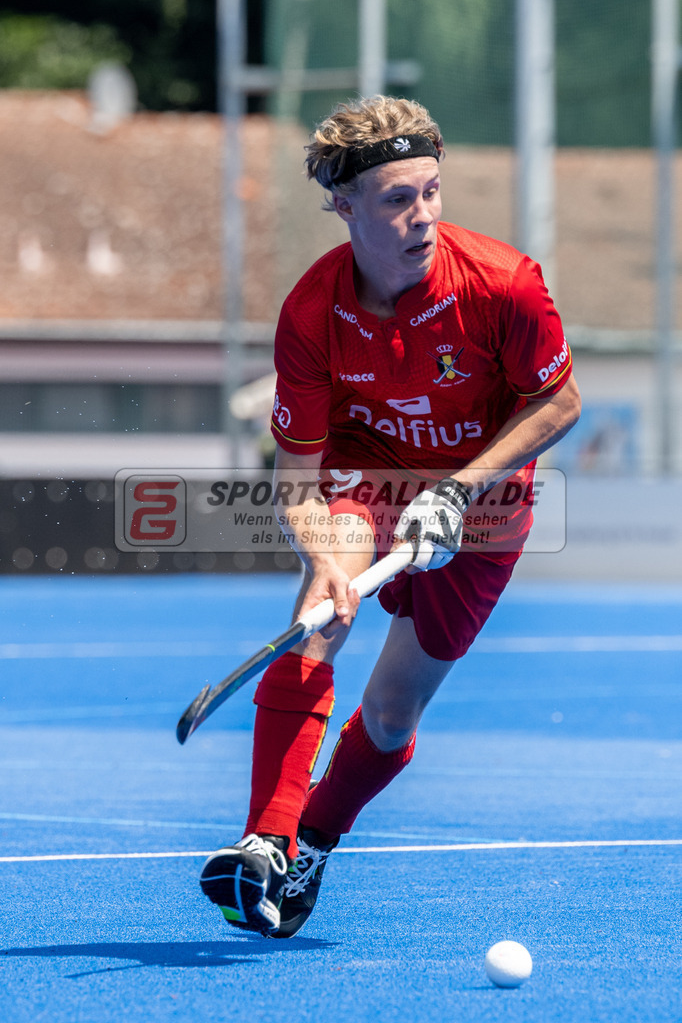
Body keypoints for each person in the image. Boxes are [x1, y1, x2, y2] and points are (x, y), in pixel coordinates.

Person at [199, 95, 581, 938]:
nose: (424, 216)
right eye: (398, 199)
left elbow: (559, 402)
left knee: (390, 714)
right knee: (318, 617)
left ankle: (313, 844)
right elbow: (298, 483)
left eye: (432, 191)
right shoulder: (311, 313)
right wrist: (324, 561)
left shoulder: (504, 285)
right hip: (365, 474)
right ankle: (266, 838)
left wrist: (457, 491)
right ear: (344, 207)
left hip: (485, 505)